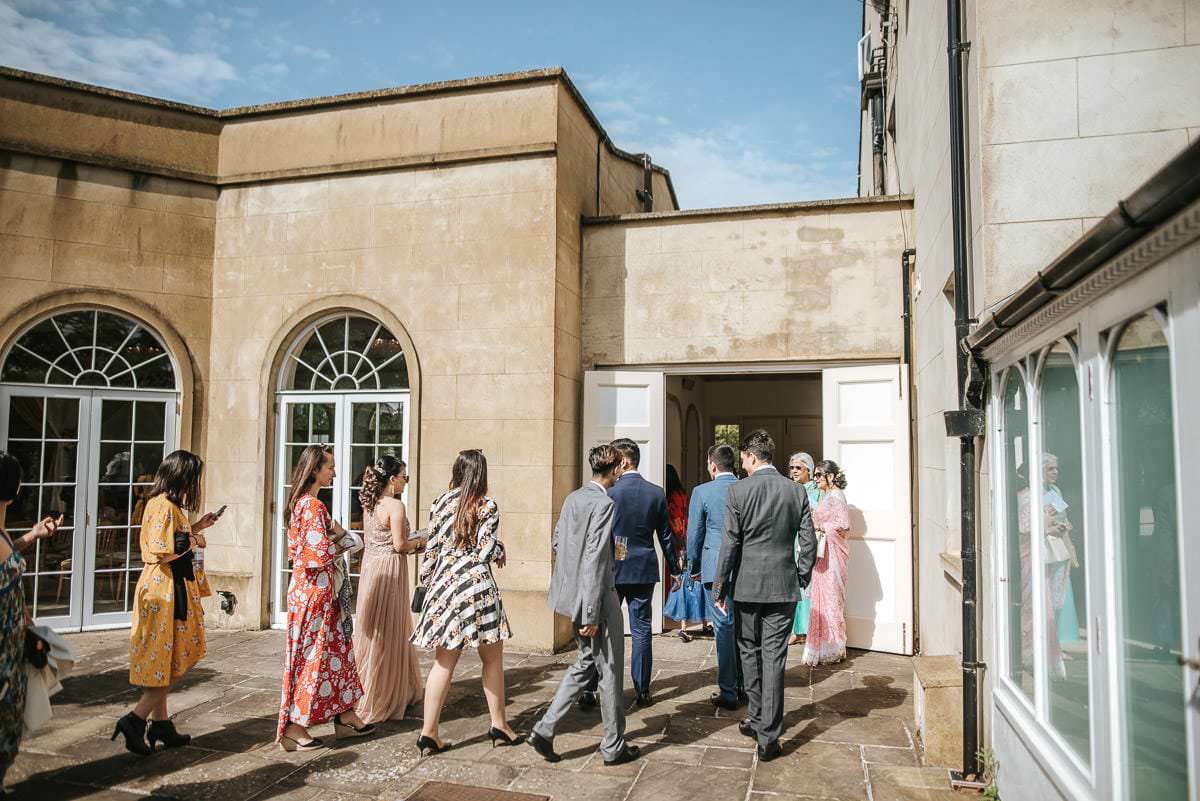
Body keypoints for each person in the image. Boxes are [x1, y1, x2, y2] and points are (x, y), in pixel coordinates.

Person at [527, 444, 640, 767]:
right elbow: (593, 559)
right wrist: (590, 611)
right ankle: (613, 746)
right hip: (597, 599)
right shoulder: (604, 504)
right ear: (615, 469)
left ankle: (545, 729)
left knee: (586, 662)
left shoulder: (573, 498)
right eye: (620, 468)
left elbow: (558, 542)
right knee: (610, 670)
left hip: (574, 596)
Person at [713, 429, 815, 761]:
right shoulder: (795, 490)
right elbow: (809, 542)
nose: (741, 464)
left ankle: (760, 722)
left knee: (749, 652)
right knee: (774, 657)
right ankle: (766, 732)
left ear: (753, 457)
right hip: (783, 584)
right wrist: (800, 575)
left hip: (747, 585)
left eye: (743, 458)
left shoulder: (738, 490)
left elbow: (730, 543)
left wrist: (720, 587)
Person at [411, 449, 518, 755]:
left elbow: (431, 552)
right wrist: (500, 549)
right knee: (492, 658)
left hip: (444, 587)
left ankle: (428, 732)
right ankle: (499, 725)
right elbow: (484, 552)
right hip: (476, 588)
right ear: (481, 474)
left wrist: (425, 583)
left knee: (443, 662)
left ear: (457, 471)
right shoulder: (486, 505)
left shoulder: (439, 502)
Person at [118, 450, 222, 753]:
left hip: (161, 585)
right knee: (172, 658)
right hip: (165, 589)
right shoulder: (164, 506)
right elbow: (164, 551)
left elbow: (170, 539)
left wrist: (197, 526)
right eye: (193, 477)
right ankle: (135, 719)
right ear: (182, 477)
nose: (194, 484)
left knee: (164, 657)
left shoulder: (159, 502)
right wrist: (195, 540)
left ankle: (161, 724)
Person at [277, 445, 374, 751]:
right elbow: (318, 555)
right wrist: (345, 543)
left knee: (337, 654)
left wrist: (338, 534)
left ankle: (345, 714)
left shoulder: (307, 505)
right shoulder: (312, 506)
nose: (334, 472)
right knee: (313, 659)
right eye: (330, 467)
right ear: (315, 470)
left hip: (315, 592)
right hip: (314, 594)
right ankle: (295, 726)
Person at [582, 438, 680, 709]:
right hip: (643, 569)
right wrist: (676, 568)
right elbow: (666, 536)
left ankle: (590, 687)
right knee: (641, 630)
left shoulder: (609, 492)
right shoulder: (656, 493)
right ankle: (643, 689)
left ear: (623, 461)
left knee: (600, 628)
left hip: (612, 569)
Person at [0, 452, 62, 788]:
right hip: (2, 654)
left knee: (9, 731)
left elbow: (8, 556)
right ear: (15, 490)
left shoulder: (3, 534)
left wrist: (33, 534)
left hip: (12, 652)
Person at [353, 456, 424, 724]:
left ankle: (371, 688)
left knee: (374, 632)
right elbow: (400, 545)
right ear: (392, 479)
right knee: (391, 629)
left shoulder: (370, 503)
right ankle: (386, 693)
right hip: (390, 569)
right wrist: (422, 543)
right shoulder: (395, 505)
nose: (406, 481)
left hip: (371, 566)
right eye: (404, 477)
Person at [685, 444, 744, 710]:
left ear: (712, 465)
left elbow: (694, 534)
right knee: (743, 627)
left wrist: (693, 567)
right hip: (744, 566)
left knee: (723, 627)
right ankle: (745, 685)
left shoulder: (702, 491)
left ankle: (729, 691)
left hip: (714, 567)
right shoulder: (745, 487)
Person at [802, 460, 852, 667]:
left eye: (818, 475)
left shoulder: (836, 496)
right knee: (819, 599)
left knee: (831, 599)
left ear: (830, 476)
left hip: (832, 555)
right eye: (814, 475)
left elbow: (844, 525)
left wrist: (822, 528)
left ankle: (833, 648)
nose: (815, 479)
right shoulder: (826, 495)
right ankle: (819, 647)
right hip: (822, 554)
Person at [663, 464, 706, 641]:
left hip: (677, 537)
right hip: (685, 532)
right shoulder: (681, 493)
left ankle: (682, 620)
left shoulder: (672, 496)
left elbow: (674, 519)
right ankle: (702, 621)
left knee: (679, 578)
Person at [787, 452, 823, 646]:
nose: (794, 471)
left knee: (808, 585)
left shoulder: (816, 492)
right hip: (790, 542)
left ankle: (808, 630)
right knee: (794, 586)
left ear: (808, 470)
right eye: (792, 467)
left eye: (798, 468)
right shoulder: (790, 489)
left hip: (807, 543)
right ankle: (795, 629)